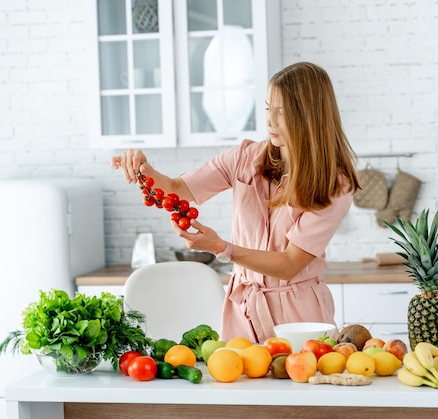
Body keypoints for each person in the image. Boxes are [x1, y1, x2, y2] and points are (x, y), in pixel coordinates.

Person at [110, 61, 361, 344]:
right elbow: (178, 189)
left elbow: (291, 263)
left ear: (309, 116)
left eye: (282, 112)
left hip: (300, 317)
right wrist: (144, 167)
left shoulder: (334, 184)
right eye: (268, 108)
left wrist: (222, 248)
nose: (269, 120)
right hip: (244, 313)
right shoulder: (244, 157)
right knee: (240, 383)